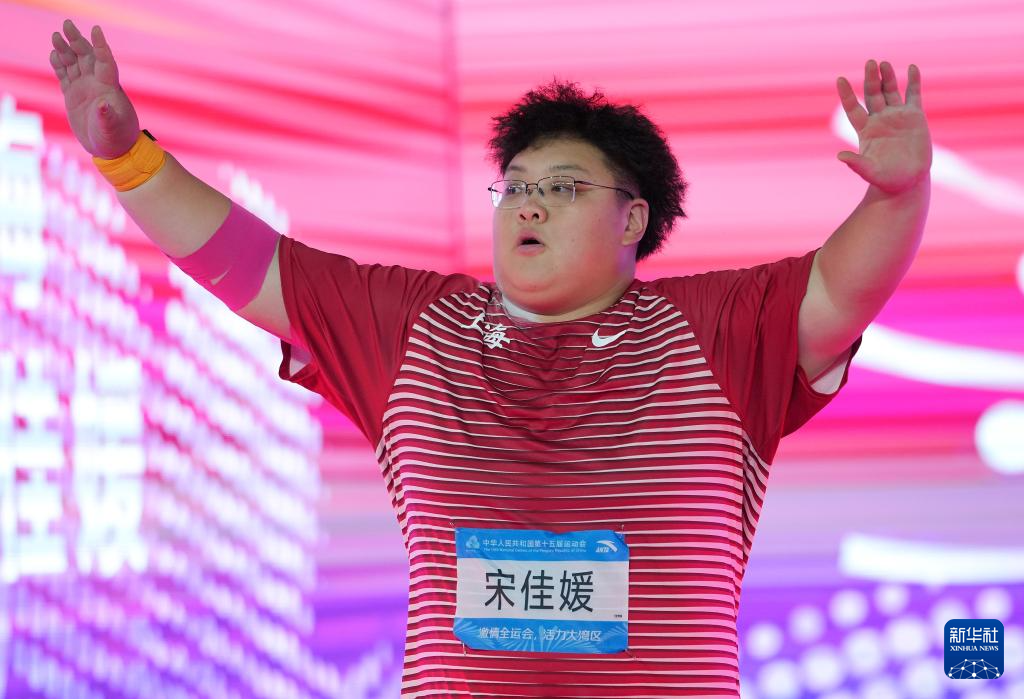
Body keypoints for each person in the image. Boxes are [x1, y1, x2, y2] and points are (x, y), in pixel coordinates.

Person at [50, 18, 931, 698]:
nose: (528, 206)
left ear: (632, 218)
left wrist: (899, 195)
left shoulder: (720, 329)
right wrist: (126, 159)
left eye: (563, 188)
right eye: (515, 188)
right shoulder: (415, 327)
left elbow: (842, 287)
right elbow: (246, 260)